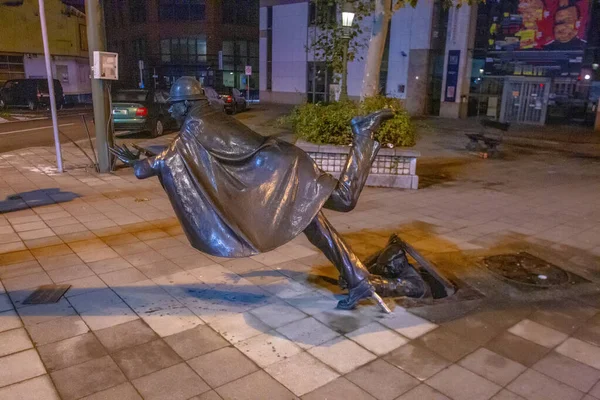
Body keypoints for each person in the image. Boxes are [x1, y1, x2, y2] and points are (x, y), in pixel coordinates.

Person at [111, 76, 394, 312]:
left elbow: (163, 161)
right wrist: (148, 153)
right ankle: (357, 278)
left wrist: (136, 162)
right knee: (315, 226)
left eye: (173, 105)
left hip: (280, 174)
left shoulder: (193, 128)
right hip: (280, 164)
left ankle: (363, 134)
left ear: (185, 105)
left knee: (343, 200)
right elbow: (183, 151)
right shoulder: (208, 117)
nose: (170, 111)